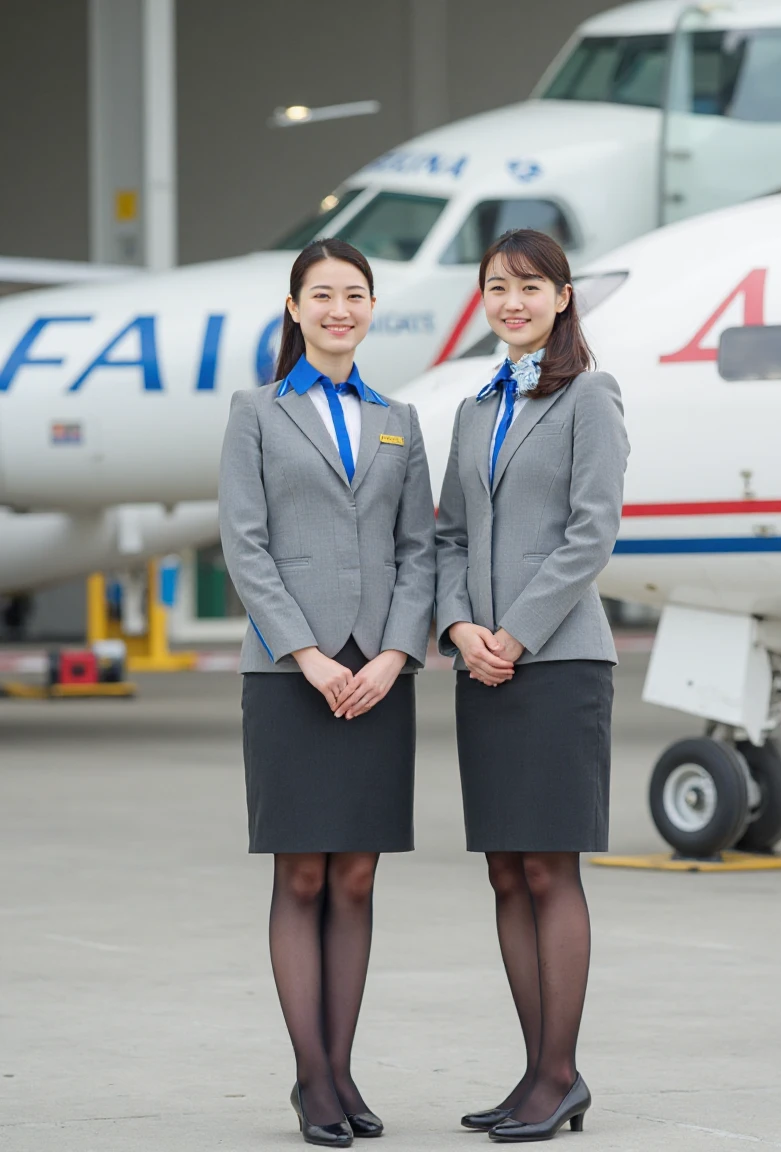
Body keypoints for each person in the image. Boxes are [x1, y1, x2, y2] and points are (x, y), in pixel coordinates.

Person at [219, 238, 435, 1148]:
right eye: (323, 295)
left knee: (357, 876)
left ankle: (343, 1072)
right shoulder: (257, 413)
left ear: (370, 309)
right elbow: (244, 542)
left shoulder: (398, 418)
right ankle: (312, 1082)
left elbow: (421, 552)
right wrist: (307, 654)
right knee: (301, 870)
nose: (339, 309)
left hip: (378, 679)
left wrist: (393, 657)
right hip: (289, 673)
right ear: (296, 308)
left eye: (354, 295)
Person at [435, 228, 629, 1143]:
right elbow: (446, 539)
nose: (511, 302)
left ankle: (559, 1076)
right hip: (486, 665)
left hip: (558, 662)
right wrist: (461, 629)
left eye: (529, 287)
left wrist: (513, 631)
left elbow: (592, 533)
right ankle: (536, 1075)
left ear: (562, 297)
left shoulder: (592, 396)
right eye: (496, 288)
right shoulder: (478, 407)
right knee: (506, 873)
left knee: (551, 868)